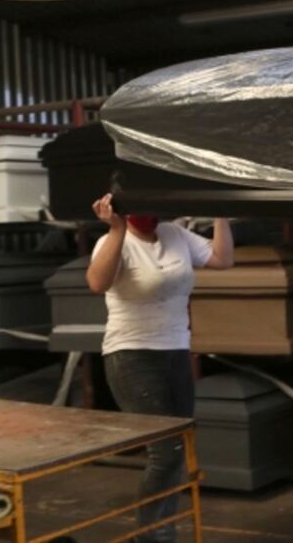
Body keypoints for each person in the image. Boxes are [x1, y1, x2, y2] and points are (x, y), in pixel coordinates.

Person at [87, 193, 234, 543]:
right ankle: (152, 536)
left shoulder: (175, 235)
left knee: (178, 448)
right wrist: (116, 229)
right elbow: (97, 283)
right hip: (131, 355)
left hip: (175, 351)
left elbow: (221, 259)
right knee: (165, 451)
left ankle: (160, 532)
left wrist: (220, 214)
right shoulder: (112, 241)